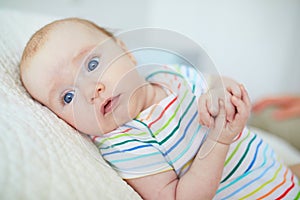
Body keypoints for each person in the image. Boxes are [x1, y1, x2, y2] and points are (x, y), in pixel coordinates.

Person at [19, 18, 300, 199]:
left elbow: (213, 82)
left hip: (280, 176)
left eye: (92, 65)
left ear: (125, 52)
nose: (91, 91)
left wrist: (221, 89)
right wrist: (218, 139)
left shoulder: (170, 76)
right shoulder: (124, 142)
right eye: (67, 97)